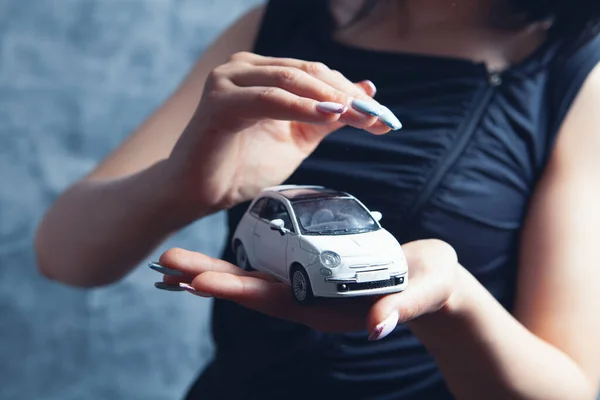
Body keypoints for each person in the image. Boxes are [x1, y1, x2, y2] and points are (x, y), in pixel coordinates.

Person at [34, 0, 600, 398]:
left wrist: (451, 299)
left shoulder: (575, 69)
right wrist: (182, 186)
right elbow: (64, 258)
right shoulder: (274, 25)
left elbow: (568, 387)